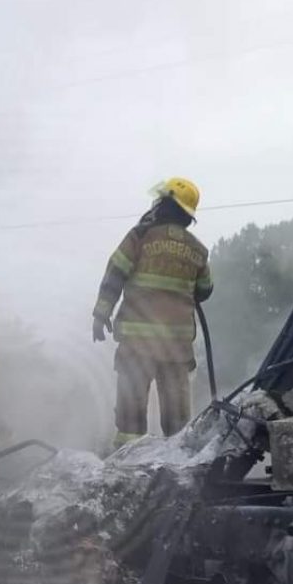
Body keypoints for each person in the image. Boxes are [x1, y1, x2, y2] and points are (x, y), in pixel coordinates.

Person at [92, 177, 213, 448]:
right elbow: (205, 289)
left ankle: (126, 468)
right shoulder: (198, 250)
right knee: (178, 424)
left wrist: (101, 315)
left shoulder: (139, 237)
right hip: (176, 351)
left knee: (130, 420)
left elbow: (115, 274)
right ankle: (178, 473)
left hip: (138, 345)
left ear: (164, 204)